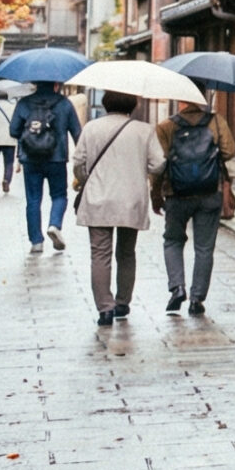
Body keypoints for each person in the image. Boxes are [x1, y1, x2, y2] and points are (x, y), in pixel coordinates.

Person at [73, 90, 164, 326]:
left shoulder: (91, 128)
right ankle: (123, 303)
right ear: (132, 105)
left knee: (100, 254)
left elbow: (78, 162)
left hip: (98, 198)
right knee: (126, 252)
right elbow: (158, 164)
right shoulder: (144, 130)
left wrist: (85, 181)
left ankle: (105, 308)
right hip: (130, 199)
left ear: (105, 104)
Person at [153, 99, 235, 315]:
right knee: (204, 247)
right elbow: (229, 152)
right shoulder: (216, 121)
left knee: (172, 240)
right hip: (210, 191)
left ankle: (177, 287)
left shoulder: (165, 126)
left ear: (180, 99)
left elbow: (158, 163)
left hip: (176, 192)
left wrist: (155, 193)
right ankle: (197, 298)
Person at [12, 81, 82, 253]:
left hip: (30, 157)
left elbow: (13, 131)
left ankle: (36, 241)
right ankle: (54, 225)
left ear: (36, 84)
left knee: (33, 199)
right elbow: (77, 132)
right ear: (55, 84)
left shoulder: (24, 103)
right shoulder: (64, 103)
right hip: (56, 158)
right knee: (59, 195)